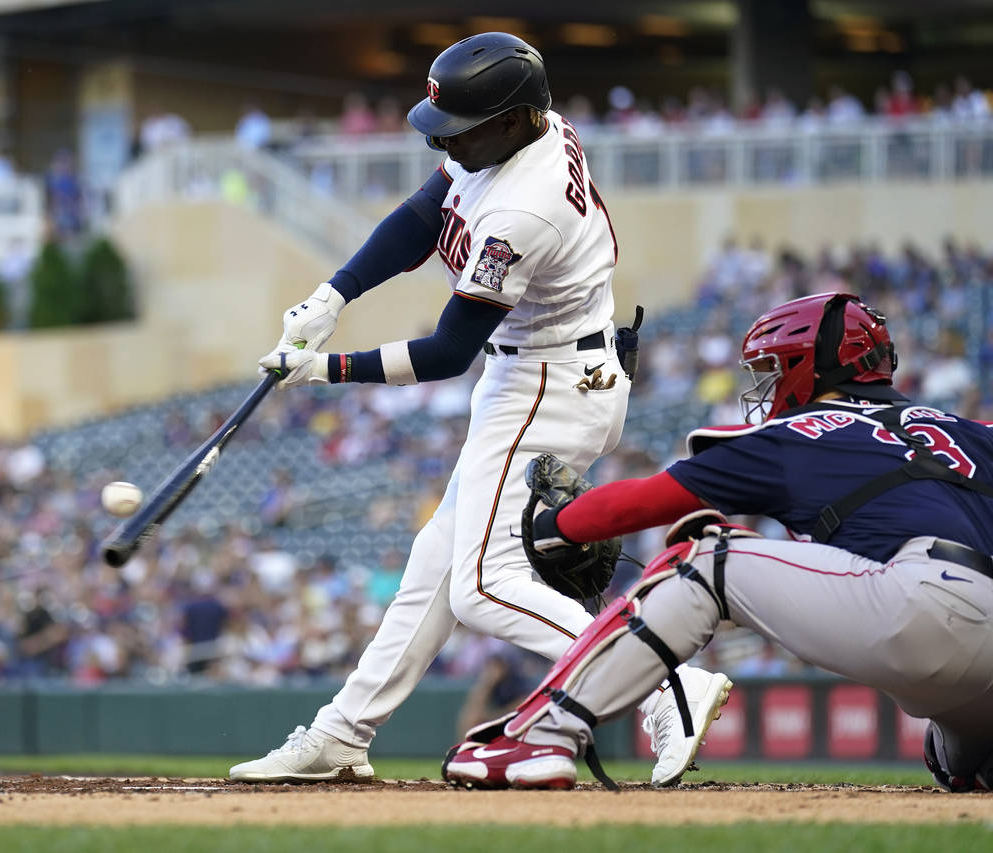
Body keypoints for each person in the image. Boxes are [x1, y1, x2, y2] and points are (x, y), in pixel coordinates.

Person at [235, 32, 730, 786]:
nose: (446, 145)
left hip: (548, 383)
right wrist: (334, 293)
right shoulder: (517, 135)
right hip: (547, 370)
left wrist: (323, 370)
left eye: (459, 131)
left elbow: (445, 353)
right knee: (434, 569)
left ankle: (669, 684)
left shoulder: (522, 211)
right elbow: (424, 211)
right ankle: (343, 733)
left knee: (481, 585)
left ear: (510, 120)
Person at [444, 292, 993, 791]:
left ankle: (544, 734)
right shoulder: (972, 431)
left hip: (926, 610)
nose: (764, 385)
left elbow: (640, 503)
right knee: (955, 756)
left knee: (704, 560)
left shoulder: (796, 434)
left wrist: (552, 527)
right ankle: (970, 757)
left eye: (769, 370)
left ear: (806, 365)